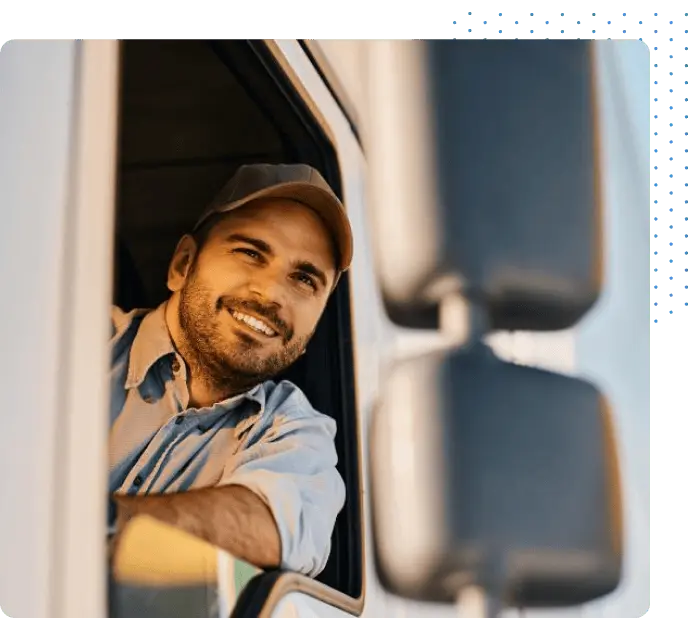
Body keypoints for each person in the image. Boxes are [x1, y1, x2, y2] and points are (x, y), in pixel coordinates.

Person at [108, 163, 353, 578]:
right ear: (183, 265)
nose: (272, 292)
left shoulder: (296, 433)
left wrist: (82, 528)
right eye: (251, 253)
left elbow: (274, 528)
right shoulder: (70, 339)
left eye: (304, 279)